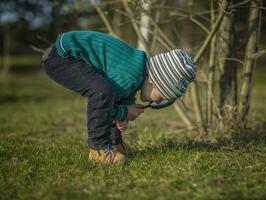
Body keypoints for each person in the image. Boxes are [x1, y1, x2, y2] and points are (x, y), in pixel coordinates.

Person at [41, 30, 196, 165]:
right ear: (155, 82)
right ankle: (98, 150)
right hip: (61, 56)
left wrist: (123, 115)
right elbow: (103, 103)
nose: (157, 101)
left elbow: (121, 96)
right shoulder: (130, 75)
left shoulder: (137, 70)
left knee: (107, 93)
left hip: (65, 52)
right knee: (101, 91)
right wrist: (123, 112)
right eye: (161, 96)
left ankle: (114, 145)